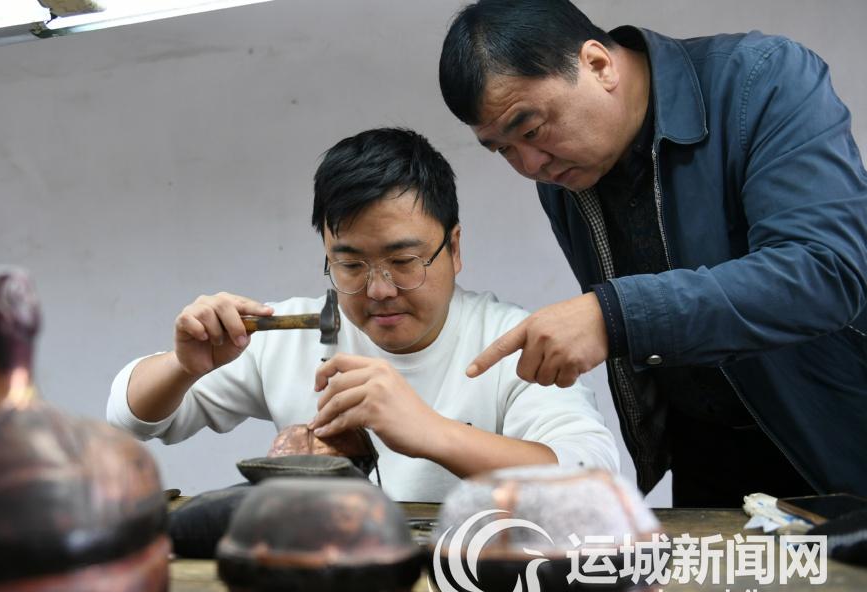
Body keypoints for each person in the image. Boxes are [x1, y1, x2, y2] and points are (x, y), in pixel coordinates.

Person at [438, 0, 867, 508]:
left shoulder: (763, 79)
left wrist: (615, 316)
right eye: (504, 149)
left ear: (598, 64)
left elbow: (824, 271)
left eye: (531, 130)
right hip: (707, 458)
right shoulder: (564, 172)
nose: (530, 164)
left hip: (838, 443)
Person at [106, 127, 618, 502]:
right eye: (350, 265)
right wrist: (183, 367)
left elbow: (591, 477)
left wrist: (430, 432)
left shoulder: (509, 342)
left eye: (404, 261)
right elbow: (132, 418)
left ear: (454, 248)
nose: (379, 290)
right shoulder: (291, 332)